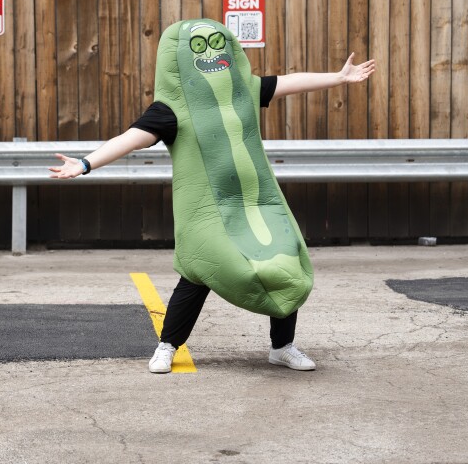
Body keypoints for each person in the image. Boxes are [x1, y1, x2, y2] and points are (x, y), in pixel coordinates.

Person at [50, 19, 375, 373]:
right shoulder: (171, 109)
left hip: (256, 201)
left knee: (283, 256)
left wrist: (339, 77)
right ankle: (167, 346)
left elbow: (290, 82)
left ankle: (282, 346)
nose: (212, 53)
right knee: (199, 272)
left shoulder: (244, 90)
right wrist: (84, 163)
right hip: (205, 211)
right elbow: (130, 138)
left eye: (218, 45)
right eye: (200, 48)